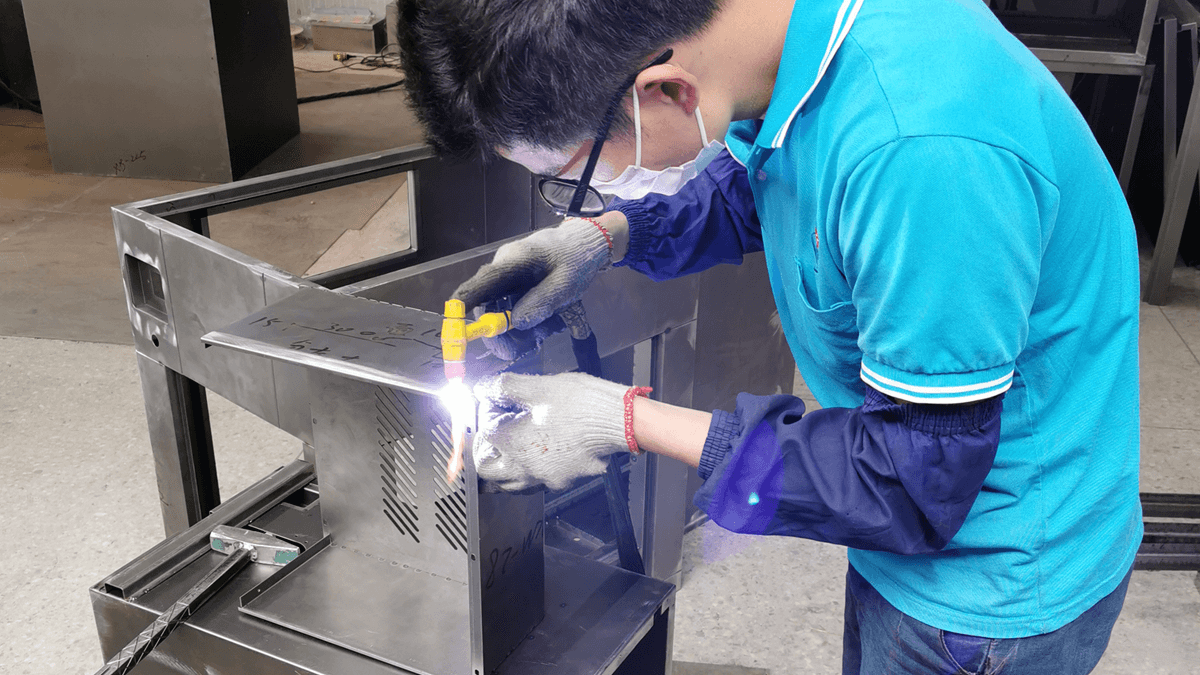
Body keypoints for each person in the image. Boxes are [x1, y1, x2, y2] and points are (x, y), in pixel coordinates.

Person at [397, 0, 1142, 672]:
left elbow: (910, 484)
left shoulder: (920, 152)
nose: (584, 193)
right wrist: (609, 235)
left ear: (665, 91)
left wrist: (623, 420)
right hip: (905, 530)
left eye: (573, 174)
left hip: (987, 590)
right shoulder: (778, 40)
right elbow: (768, 181)